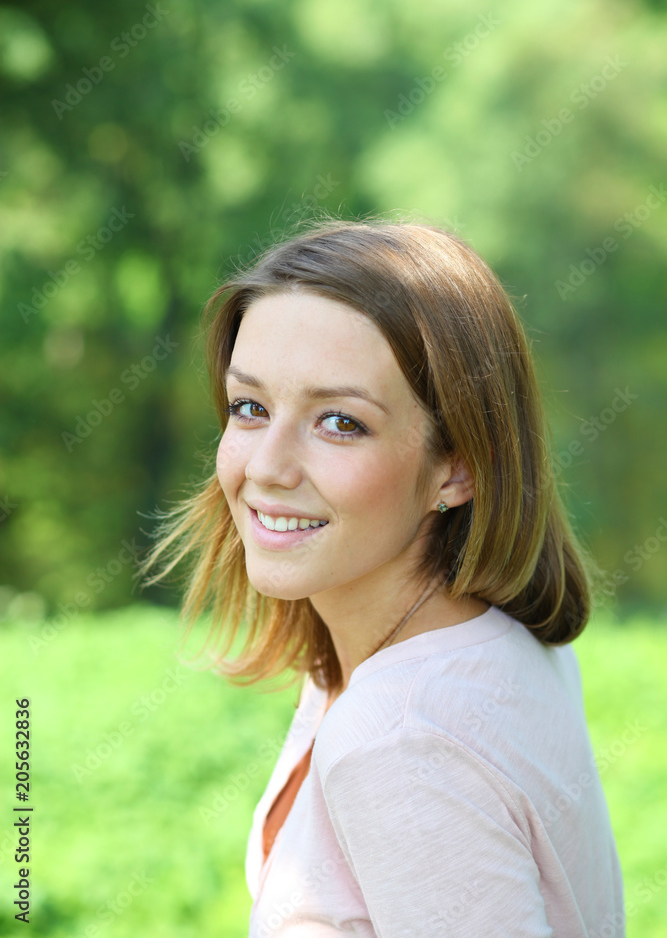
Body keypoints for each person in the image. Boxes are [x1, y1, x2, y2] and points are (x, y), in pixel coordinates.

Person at [139, 219, 624, 937]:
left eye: (339, 422)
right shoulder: (476, 643)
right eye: (250, 407)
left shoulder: (399, 739)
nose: (266, 466)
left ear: (456, 465)